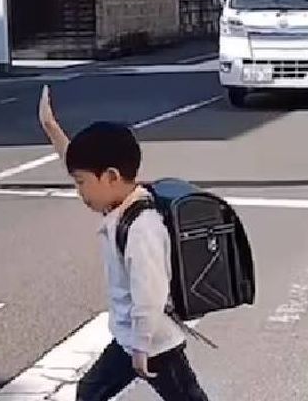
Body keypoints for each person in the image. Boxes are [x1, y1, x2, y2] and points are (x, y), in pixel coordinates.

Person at [38, 85, 209, 401]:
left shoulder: (141, 226)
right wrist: (52, 128)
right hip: (134, 337)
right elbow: (77, 162)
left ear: (112, 176)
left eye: (81, 184)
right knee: (89, 392)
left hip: (153, 340)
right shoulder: (120, 204)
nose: (80, 193)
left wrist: (141, 346)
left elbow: (150, 292)